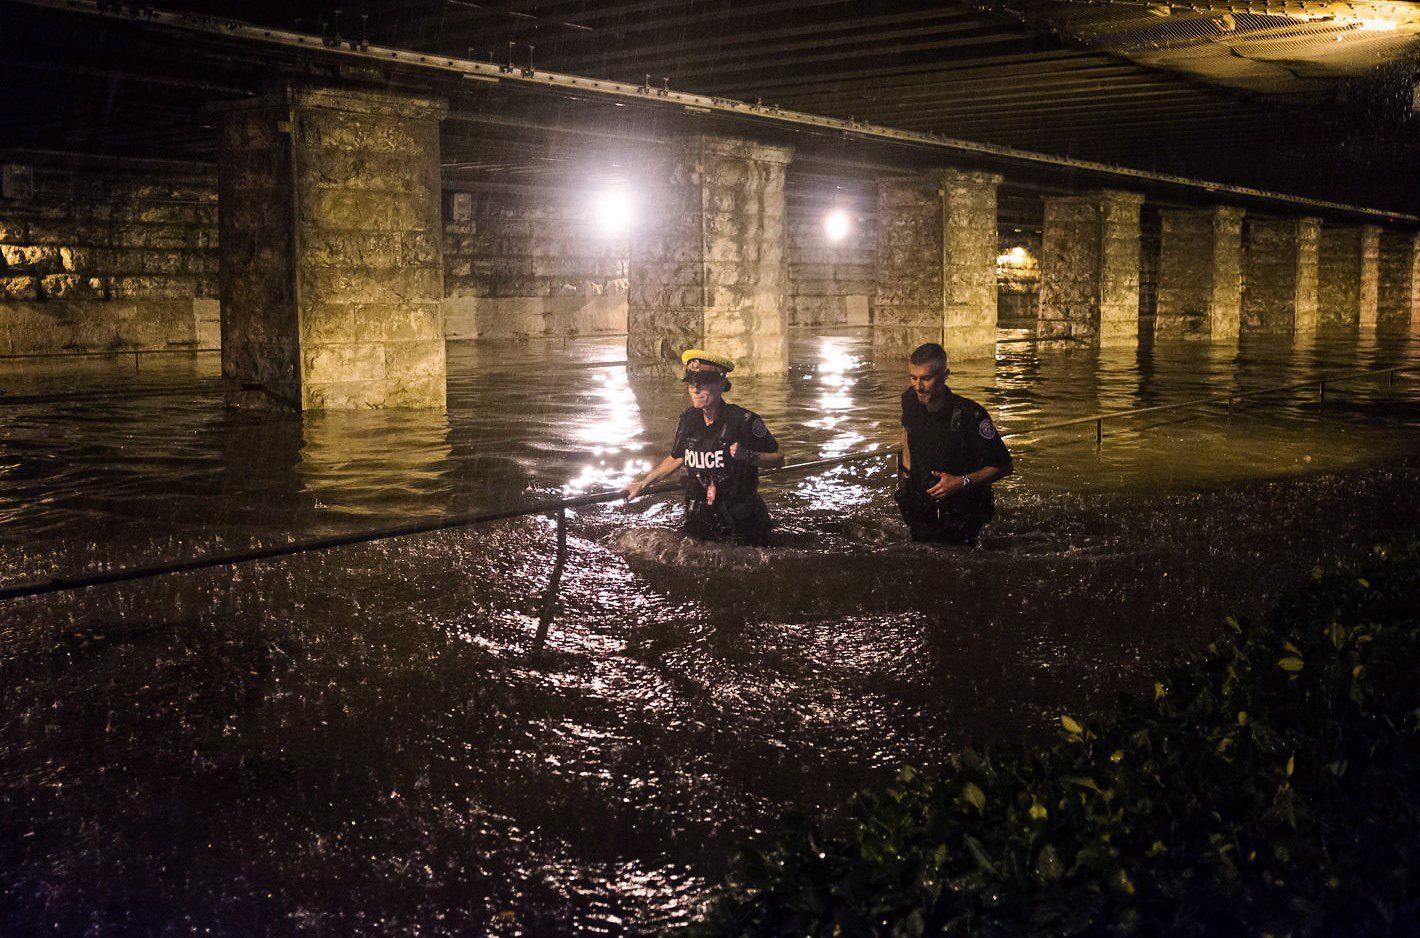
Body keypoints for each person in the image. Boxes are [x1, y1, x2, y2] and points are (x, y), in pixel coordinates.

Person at [624, 349, 784, 546]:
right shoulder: (688, 420)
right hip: (700, 519)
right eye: (691, 383)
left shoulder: (744, 421)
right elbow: (677, 457)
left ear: (722, 384)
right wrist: (643, 484)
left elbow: (778, 459)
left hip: (742, 521)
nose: (695, 389)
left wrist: (749, 456)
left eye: (704, 382)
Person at [896, 342, 1012, 545]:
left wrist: (961, 482)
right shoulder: (910, 400)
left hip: (963, 511)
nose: (918, 386)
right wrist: (906, 474)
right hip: (921, 504)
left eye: (926, 378)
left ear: (944, 375)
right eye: (913, 378)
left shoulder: (970, 415)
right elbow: (907, 430)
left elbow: (1003, 465)